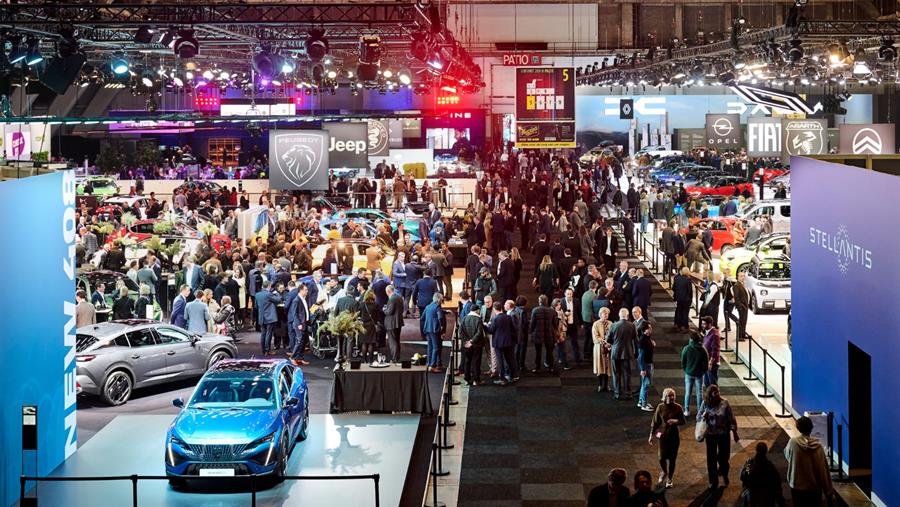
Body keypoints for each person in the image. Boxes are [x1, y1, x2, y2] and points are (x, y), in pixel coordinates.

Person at [784, 415, 834, 506]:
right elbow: (823, 470)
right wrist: (828, 492)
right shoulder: (818, 447)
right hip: (813, 487)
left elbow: (787, 455)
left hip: (796, 485)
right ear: (811, 428)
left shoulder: (792, 443)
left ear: (798, 428)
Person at [697, 384, 740, 490]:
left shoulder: (725, 403)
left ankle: (724, 473)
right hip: (711, 434)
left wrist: (734, 432)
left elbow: (731, 418)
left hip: (723, 434)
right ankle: (713, 481)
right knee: (711, 458)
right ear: (710, 394)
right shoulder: (705, 403)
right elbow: (698, 416)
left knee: (724, 457)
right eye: (715, 393)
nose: (718, 394)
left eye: (718, 392)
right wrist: (703, 416)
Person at [649, 387, 686, 489]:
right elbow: (655, 422)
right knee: (661, 457)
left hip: (674, 436)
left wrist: (675, 421)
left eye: (673, 395)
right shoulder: (660, 407)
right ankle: (664, 472)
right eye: (669, 395)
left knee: (672, 459)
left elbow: (683, 421)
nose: (671, 397)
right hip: (661, 435)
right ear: (665, 397)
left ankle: (670, 478)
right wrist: (651, 435)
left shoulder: (678, 407)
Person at [740, 441, 786, 507]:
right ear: (766, 451)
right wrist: (779, 498)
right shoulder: (770, 466)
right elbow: (777, 482)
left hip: (753, 497)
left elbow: (744, 476)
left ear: (756, 450)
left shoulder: (749, 463)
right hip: (766, 498)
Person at [605, 307, 636, 400]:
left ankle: (617, 393)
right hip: (627, 352)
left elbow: (608, 340)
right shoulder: (632, 325)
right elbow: (635, 339)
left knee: (616, 373)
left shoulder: (614, 325)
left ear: (619, 315)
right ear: (627, 315)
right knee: (627, 373)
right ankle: (628, 393)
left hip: (616, 353)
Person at [486, 300, 518, 385]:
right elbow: (513, 329)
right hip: (508, 342)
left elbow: (491, 330)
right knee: (508, 359)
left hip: (498, 343)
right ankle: (512, 376)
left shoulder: (495, 318)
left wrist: (486, 326)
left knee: (500, 361)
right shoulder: (508, 316)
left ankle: (503, 379)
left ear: (494, 309)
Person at [680, 331, 709, 416]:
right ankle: (699, 411)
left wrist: (686, 370)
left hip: (689, 373)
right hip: (699, 375)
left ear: (691, 339)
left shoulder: (687, 348)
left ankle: (686, 410)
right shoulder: (703, 350)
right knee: (699, 393)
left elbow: (683, 361)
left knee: (688, 392)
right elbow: (706, 364)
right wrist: (702, 372)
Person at [529, 294, 558, 374]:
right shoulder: (552, 311)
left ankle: (537, 367)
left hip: (538, 333)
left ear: (539, 301)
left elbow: (532, 323)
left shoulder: (535, 310)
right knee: (549, 351)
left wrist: (531, 331)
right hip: (549, 333)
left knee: (538, 352)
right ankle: (551, 367)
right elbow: (555, 323)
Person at [458, 303, 485, 385]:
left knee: (467, 361)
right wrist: (472, 341)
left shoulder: (464, 318)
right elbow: (479, 332)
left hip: (466, 344)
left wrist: (467, 341)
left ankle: (467, 379)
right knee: (476, 361)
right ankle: (476, 380)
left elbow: (461, 332)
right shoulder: (478, 319)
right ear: (477, 310)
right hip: (477, 344)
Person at [255, 281, 283, 356]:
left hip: (261, 317)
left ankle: (263, 350)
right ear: (269, 286)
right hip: (269, 317)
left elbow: (256, 306)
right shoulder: (268, 294)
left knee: (263, 333)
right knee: (269, 333)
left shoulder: (257, 294)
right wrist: (276, 293)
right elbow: (278, 300)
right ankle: (267, 350)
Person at [289, 284, 311, 366]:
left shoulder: (304, 299)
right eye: (305, 290)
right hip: (299, 324)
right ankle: (292, 357)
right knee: (299, 341)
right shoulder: (296, 300)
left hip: (305, 323)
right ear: (301, 290)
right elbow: (294, 314)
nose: (307, 291)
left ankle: (300, 358)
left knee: (303, 341)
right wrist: (298, 324)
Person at [422, 293, 445, 372]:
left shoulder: (428, 306)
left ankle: (429, 363)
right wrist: (442, 328)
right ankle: (432, 366)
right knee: (436, 347)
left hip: (427, 329)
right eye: (442, 300)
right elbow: (440, 318)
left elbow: (422, 317)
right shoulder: (438, 307)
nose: (442, 301)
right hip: (435, 330)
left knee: (430, 347)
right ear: (438, 300)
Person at [592, 307, 613, 392]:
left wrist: (609, 343)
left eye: (607, 314)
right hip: (599, 348)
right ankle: (600, 385)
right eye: (604, 314)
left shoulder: (611, 323)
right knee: (600, 366)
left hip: (608, 348)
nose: (606, 315)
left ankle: (607, 385)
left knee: (608, 367)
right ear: (600, 315)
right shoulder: (596, 324)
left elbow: (613, 335)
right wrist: (604, 342)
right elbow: (595, 337)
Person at [636, 322, 655, 412]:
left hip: (647, 363)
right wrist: (642, 369)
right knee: (646, 384)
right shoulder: (643, 341)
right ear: (645, 331)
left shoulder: (647, 338)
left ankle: (641, 401)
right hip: (646, 365)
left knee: (644, 384)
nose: (651, 329)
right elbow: (640, 357)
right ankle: (644, 403)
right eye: (649, 328)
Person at [382, 284, 404, 363]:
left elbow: (389, 312)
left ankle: (394, 359)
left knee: (392, 341)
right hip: (399, 322)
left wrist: (384, 309)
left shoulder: (392, 299)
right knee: (397, 340)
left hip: (391, 323)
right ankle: (397, 357)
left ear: (388, 291)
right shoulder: (399, 297)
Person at [358, 290, 380, 364]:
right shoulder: (375, 305)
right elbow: (378, 316)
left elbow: (358, 315)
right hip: (372, 325)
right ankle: (370, 360)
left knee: (364, 343)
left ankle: (364, 360)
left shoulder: (362, 304)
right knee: (371, 343)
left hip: (363, 325)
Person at [701, 316, 721, 388]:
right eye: (702, 324)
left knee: (713, 384)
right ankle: (709, 398)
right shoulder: (708, 332)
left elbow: (715, 350)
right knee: (707, 383)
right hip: (707, 361)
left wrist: (710, 362)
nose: (702, 325)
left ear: (709, 324)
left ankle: (715, 398)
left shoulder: (714, 334)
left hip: (712, 363)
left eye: (704, 324)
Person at [672, 267, 693, 332]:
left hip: (679, 298)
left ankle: (678, 325)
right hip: (686, 299)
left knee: (679, 311)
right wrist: (690, 298)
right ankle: (685, 326)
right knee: (685, 313)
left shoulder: (677, 279)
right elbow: (690, 291)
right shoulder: (688, 280)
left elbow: (673, 288)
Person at [733, 271, 751, 340]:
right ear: (738, 277)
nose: (743, 277)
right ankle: (739, 336)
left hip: (745, 306)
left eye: (743, 276)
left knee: (744, 321)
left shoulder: (743, 284)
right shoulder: (736, 285)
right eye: (741, 276)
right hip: (742, 306)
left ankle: (743, 334)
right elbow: (736, 297)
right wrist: (740, 306)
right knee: (741, 321)